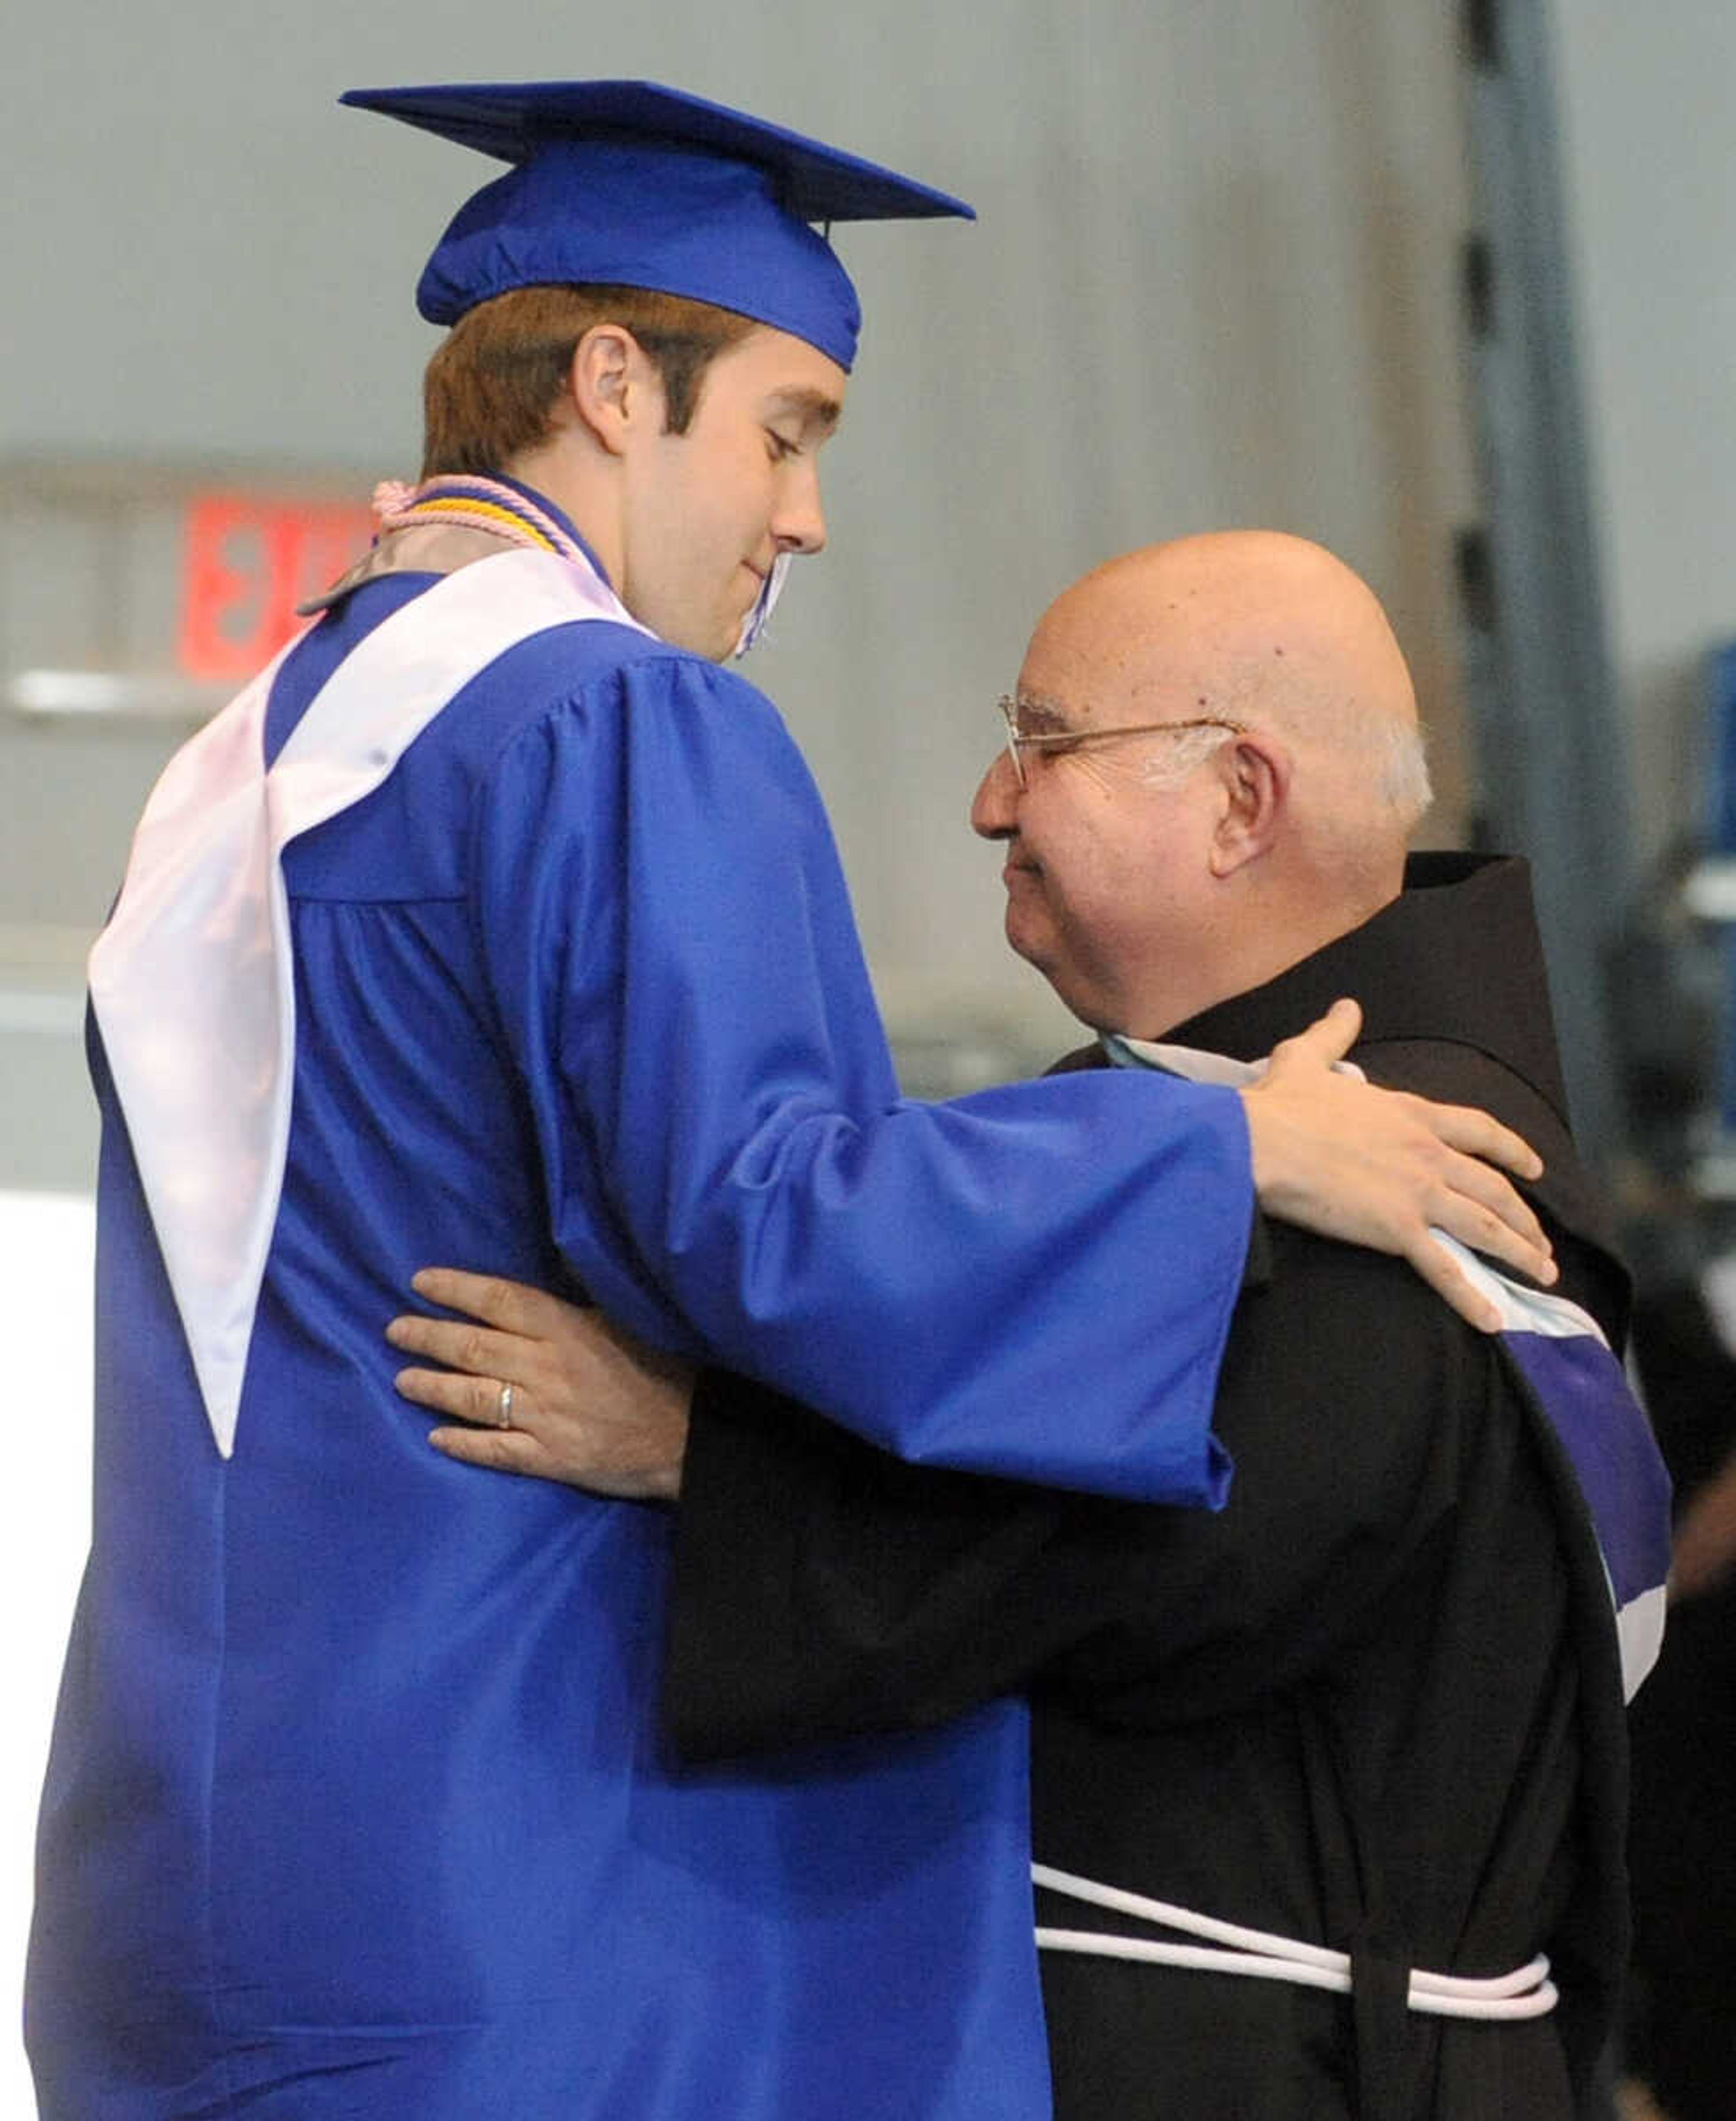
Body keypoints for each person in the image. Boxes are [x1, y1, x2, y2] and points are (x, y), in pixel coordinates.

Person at [25, 76, 1550, 2117]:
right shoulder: (619, 721)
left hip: (210, 1872)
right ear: (610, 387)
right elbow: (783, 1225)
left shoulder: (256, 758)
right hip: (539, 1877)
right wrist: (1226, 1142)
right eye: (787, 428)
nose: (807, 514)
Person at [396, 534, 1673, 2119]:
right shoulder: (1320, 1116)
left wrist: (698, 1454)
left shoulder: (1405, 1169)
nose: (992, 801)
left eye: (1043, 741)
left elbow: (1190, 1554)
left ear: (1240, 802)